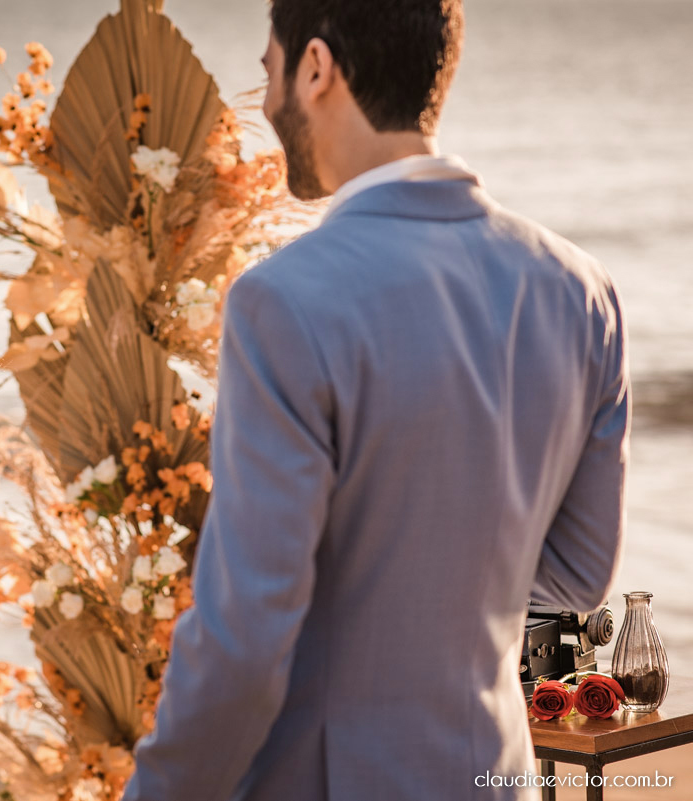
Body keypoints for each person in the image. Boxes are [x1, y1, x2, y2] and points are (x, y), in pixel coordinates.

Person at [122, 1, 629, 800]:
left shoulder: (281, 299)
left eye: (270, 71)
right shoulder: (581, 288)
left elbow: (247, 637)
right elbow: (578, 572)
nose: (268, 99)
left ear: (316, 68)